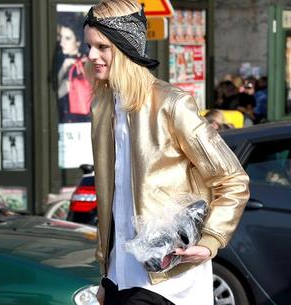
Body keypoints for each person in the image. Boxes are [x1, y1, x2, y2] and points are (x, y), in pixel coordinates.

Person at [83, 1, 250, 305]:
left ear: (125, 48)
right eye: (89, 46)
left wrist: (211, 239)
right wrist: (106, 275)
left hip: (167, 283)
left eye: (102, 47)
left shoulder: (171, 105)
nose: (91, 55)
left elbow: (233, 179)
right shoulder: (103, 106)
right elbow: (114, 202)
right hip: (120, 276)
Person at [56, 14, 91, 123]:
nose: (62, 43)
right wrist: (63, 69)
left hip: (80, 122)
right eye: (60, 37)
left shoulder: (86, 63)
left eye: (67, 38)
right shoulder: (60, 60)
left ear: (78, 42)